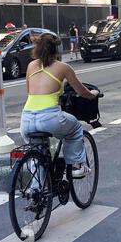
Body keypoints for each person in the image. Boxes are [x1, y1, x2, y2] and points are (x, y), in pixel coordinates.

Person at [20, 33, 99, 184]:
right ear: (57, 50)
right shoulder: (63, 67)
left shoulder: (31, 66)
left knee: (36, 152)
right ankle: (76, 166)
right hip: (49, 118)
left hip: (27, 119)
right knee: (75, 127)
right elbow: (82, 91)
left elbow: (30, 91)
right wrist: (93, 94)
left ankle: (36, 191)